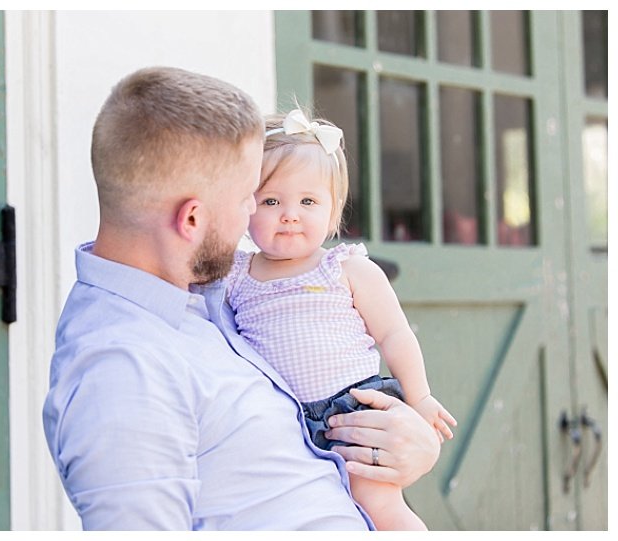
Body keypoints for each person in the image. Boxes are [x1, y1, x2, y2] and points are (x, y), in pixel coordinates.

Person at [42, 66, 440, 531]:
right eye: (252, 198)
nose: (261, 213)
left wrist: (412, 443)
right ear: (192, 220)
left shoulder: (199, 293)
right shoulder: (121, 370)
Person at [225, 107, 457, 530]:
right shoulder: (237, 276)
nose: (290, 213)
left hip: (352, 411)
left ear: (333, 212)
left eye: (308, 201)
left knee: (380, 509)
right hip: (282, 422)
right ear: (245, 206)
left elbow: (394, 334)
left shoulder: (344, 269)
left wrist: (419, 397)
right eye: (271, 200)